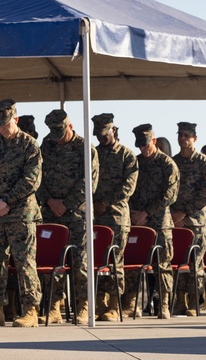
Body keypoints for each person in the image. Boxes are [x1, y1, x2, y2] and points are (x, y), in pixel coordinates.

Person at [37, 110, 98, 323]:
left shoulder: (85, 148)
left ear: (69, 126)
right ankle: (53, 306)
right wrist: (49, 201)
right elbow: (37, 177)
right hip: (51, 212)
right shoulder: (47, 146)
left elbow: (89, 182)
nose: (58, 138)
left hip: (77, 215)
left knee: (80, 261)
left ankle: (83, 305)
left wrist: (66, 204)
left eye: (61, 133)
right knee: (53, 261)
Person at [128, 124, 180, 319]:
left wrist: (147, 213)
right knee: (133, 263)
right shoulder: (135, 163)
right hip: (137, 221)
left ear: (154, 141)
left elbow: (170, 195)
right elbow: (129, 187)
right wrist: (134, 213)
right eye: (140, 146)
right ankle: (131, 302)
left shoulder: (167, 165)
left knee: (162, 264)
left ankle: (164, 304)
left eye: (146, 145)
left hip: (160, 223)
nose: (143, 149)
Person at [0, 100, 43, 327]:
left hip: (21, 214)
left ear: (15, 120)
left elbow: (31, 180)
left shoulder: (29, 145)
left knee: (25, 261)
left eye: (6, 124)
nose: (2, 129)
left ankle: (31, 310)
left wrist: (6, 200)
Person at [92, 114, 138, 321]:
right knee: (97, 261)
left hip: (117, 217)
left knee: (115, 261)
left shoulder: (127, 156)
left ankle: (115, 304)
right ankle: (99, 302)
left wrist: (105, 203)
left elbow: (128, 187)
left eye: (104, 134)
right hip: (96, 217)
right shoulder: (94, 153)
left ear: (114, 130)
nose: (101, 139)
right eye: (98, 135)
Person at [171, 122, 206, 316]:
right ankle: (179, 301)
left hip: (196, 222)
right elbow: (168, 189)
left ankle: (193, 303)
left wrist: (185, 212)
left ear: (195, 139)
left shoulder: (205, 164)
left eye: (187, 135)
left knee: (195, 264)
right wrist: (174, 214)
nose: (183, 138)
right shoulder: (173, 163)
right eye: (180, 134)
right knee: (177, 262)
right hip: (175, 222)